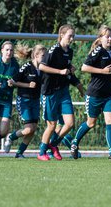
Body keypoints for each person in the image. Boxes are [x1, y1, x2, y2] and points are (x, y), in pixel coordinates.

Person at [70, 25, 111, 160]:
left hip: (108, 93)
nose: (109, 39)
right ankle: (75, 142)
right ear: (100, 38)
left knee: (110, 120)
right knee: (91, 123)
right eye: (107, 36)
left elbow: (108, 70)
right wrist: (102, 71)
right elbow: (84, 67)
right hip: (95, 93)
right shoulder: (97, 50)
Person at [37, 24, 76, 161]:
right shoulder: (54, 49)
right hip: (50, 91)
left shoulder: (69, 51)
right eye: (69, 35)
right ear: (61, 35)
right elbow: (42, 66)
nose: (72, 38)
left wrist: (70, 68)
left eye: (73, 36)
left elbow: (64, 66)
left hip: (63, 90)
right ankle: (42, 151)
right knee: (52, 125)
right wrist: (60, 71)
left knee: (70, 123)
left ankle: (53, 144)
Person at [3, 44, 46, 158]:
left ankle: (19, 153)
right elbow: (12, 81)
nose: (45, 58)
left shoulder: (42, 69)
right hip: (24, 100)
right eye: (43, 55)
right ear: (36, 55)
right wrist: (27, 85)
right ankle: (11, 137)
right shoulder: (26, 66)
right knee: (28, 129)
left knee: (33, 129)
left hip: (35, 101)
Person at [0, 41, 19, 152]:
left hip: (6, 101)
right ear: (2, 50)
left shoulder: (15, 66)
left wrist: (13, 83)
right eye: (7, 49)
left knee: (3, 131)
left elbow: (18, 81)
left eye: (11, 50)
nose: (9, 52)